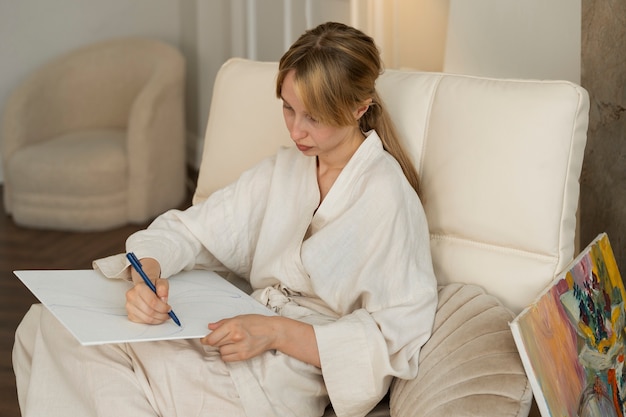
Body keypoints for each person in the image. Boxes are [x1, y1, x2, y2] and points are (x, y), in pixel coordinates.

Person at [12, 22, 437, 417]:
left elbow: (391, 341)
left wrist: (275, 332)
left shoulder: (387, 196)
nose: (296, 131)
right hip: (229, 333)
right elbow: (190, 231)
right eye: (288, 109)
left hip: (281, 375)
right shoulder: (284, 171)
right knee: (45, 324)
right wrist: (147, 272)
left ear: (360, 108)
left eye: (314, 118)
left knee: (60, 348)